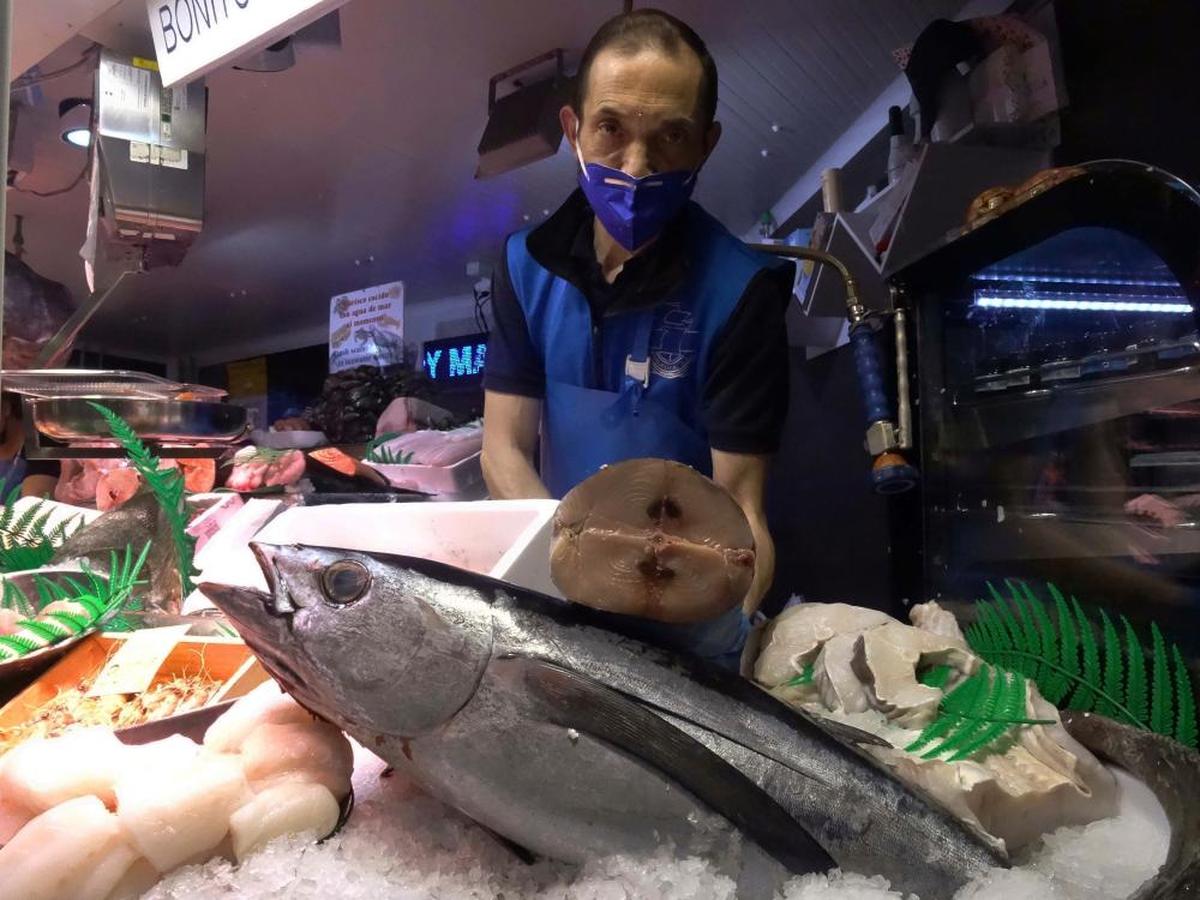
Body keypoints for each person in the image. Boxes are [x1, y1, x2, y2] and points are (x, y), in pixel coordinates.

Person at [481, 9, 793, 658]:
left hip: (689, 604)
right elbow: (503, 448)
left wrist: (714, 620)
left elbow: (743, 508)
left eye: (671, 137)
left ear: (706, 144)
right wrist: (562, 576)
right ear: (573, 128)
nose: (638, 165)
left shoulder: (743, 291)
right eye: (611, 128)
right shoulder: (522, 265)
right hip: (561, 580)